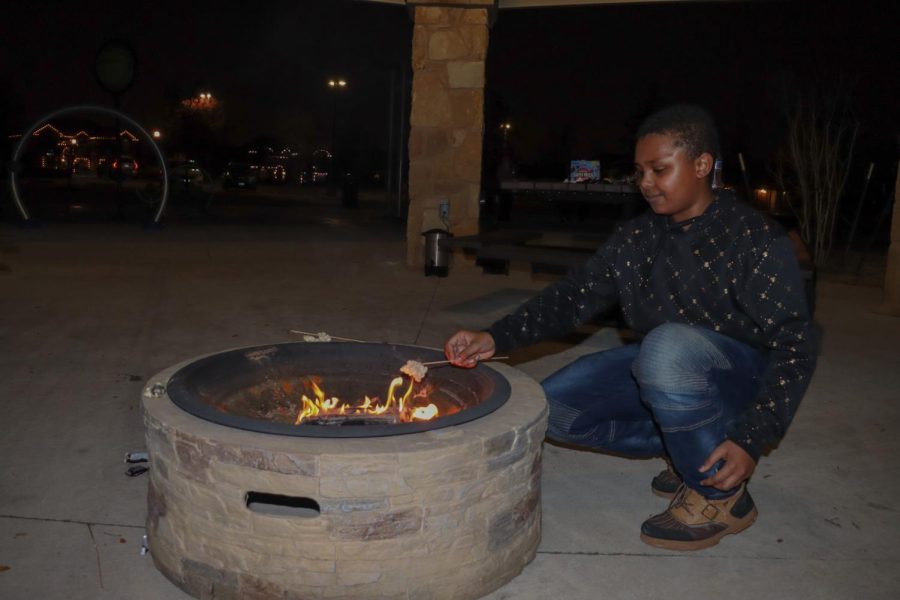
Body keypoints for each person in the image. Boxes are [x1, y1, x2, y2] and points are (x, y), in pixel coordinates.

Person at [444, 105, 818, 551]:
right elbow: (574, 296)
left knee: (665, 347)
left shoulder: (754, 238)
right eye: (640, 171)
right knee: (554, 410)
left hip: (741, 381)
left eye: (660, 170)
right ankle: (690, 454)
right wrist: (495, 336)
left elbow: (795, 344)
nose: (645, 183)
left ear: (702, 165)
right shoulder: (637, 238)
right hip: (670, 372)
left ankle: (721, 495)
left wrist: (752, 436)